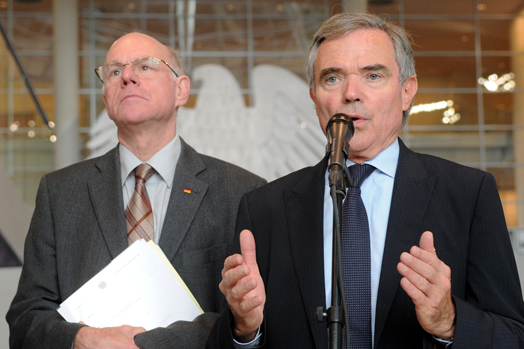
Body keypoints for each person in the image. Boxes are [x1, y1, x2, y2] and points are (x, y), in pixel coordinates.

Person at [207, 12, 524, 348]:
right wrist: (244, 329)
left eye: (373, 75)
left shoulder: (467, 194)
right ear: (314, 98)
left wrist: (448, 322)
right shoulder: (264, 208)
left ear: (406, 92)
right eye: (332, 78)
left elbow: (513, 335)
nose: (351, 93)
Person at [6, 32, 266, 349]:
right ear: (105, 97)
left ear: (181, 90)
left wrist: (145, 344)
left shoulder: (242, 191)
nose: (127, 76)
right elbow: (25, 319)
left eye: (145, 67)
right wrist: (82, 339)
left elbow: (246, 321)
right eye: (114, 71)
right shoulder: (59, 192)